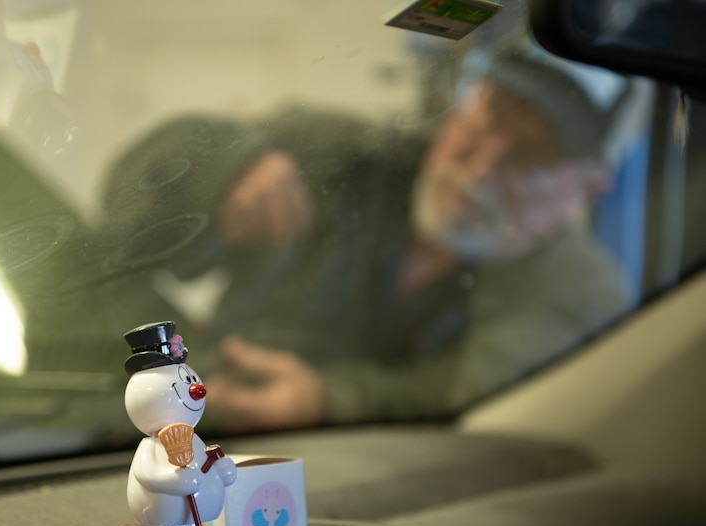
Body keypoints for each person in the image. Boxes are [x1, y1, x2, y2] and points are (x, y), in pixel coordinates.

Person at [106, 41, 633, 434]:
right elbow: (122, 216)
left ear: (585, 192)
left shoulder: (578, 291)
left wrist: (325, 401)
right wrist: (217, 169)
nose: (484, 161)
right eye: (488, 117)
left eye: (531, 152)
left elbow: (469, 400)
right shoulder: (346, 156)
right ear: (460, 110)